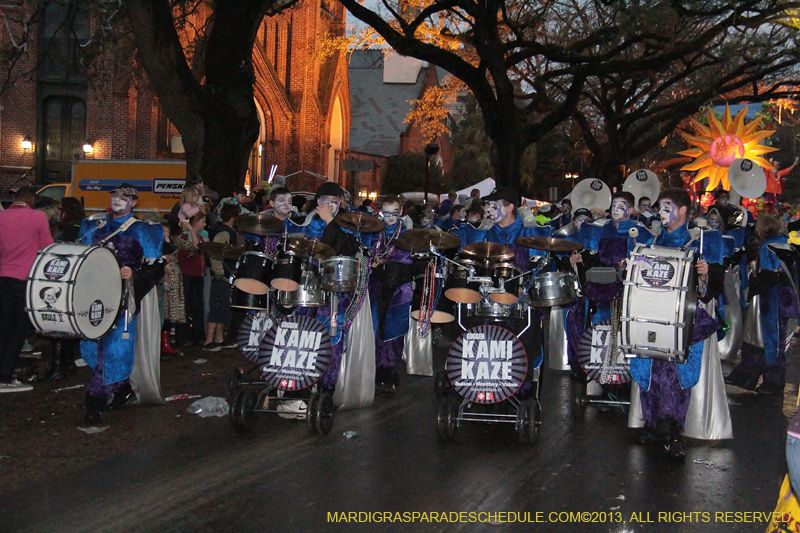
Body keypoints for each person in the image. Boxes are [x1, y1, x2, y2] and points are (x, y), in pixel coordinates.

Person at [629, 188, 729, 459]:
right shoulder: (652, 238)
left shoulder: (703, 240)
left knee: (675, 374)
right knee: (649, 367)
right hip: (653, 315)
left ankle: (672, 429)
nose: (661, 212)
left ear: (683, 210)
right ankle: (652, 422)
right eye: (660, 207)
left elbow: (713, 287)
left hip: (685, 319)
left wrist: (706, 273)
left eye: (667, 207)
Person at [80, 183, 165, 423]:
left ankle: (95, 401)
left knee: (115, 350)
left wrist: (133, 275)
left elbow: (156, 267)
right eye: (115, 195)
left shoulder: (143, 230)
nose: (118, 199)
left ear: (134, 202)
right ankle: (122, 388)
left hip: (123, 301)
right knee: (92, 348)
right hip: (93, 298)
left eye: (125, 196)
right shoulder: (94, 225)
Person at [725, 214, 799, 394]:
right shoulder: (788, 244)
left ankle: (771, 381)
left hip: (770, 298)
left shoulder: (766, 246)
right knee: (774, 340)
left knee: (764, 338)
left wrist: (752, 290)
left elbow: (765, 274)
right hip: (787, 298)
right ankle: (751, 374)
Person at [0, 186, 54, 392]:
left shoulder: (2, 217)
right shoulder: (38, 217)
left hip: (4, 276)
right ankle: (5, 376)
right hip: (25, 279)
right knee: (19, 329)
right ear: (31, 199)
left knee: (4, 326)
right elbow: (47, 246)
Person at [369, 195, 413, 392]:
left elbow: (405, 261)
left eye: (394, 213)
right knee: (376, 328)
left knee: (393, 332)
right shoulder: (374, 232)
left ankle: (391, 371)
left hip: (398, 289)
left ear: (401, 212)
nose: (390, 217)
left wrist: (384, 263)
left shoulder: (407, 235)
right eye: (386, 213)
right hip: (377, 287)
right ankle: (376, 368)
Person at [45, 197, 86, 381]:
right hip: (74, 281)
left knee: (59, 324)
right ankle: (66, 363)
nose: (57, 212)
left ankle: (60, 365)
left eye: (60, 209)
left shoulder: (69, 231)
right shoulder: (79, 229)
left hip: (64, 280)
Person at [203, 204, 240, 351]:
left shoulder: (225, 231)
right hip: (221, 274)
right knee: (217, 306)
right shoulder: (224, 232)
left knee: (223, 306)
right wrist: (218, 271)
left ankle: (219, 338)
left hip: (225, 273)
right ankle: (209, 340)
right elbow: (215, 251)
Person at [175, 213, 208, 348]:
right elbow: (195, 246)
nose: (204, 224)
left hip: (197, 274)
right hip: (186, 274)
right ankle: (184, 336)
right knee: (186, 306)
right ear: (194, 223)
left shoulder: (201, 236)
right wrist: (190, 230)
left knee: (197, 306)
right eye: (202, 222)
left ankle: (198, 335)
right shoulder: (183, 238)